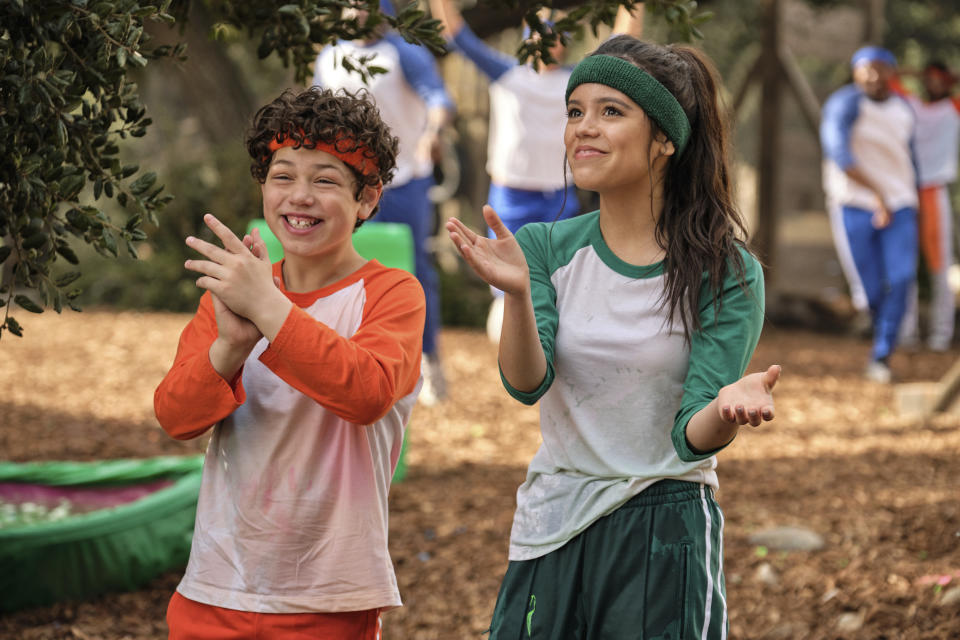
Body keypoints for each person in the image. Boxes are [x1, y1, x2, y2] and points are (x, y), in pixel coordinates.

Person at [446, 34, 779, 638]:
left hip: (663, 527)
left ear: (664, 141)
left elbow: (690, 437)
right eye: (575, 111)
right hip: (552, 520)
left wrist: (729, 408)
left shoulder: (727, 272)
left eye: (610, 112)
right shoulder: (545, 248)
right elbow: (527, 384)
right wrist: (517, 294)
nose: (583, 128)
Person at [154, 87, 425, 639]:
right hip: (214, 587)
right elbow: (176, 418)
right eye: (282, 176)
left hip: (330, 597)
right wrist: (230, 346)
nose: (299, 196)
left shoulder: (392, 293)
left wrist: (269, 309)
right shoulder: (235, 295)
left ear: (367, 198)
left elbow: (366, 392)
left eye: (325, 179)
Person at [428, 0, 645, 342]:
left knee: (557, 273)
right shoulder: (509, 74)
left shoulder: (575, 81)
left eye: (557, 37)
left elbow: (620, 47)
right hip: (511, 194)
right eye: (543, 35)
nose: (551, 43)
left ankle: (554, 340)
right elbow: (459, 36)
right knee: (505, 268)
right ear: (529, 40)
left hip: (558, 193)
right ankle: (507, 332)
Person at [313, 0, 454, 405]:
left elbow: (439, 100)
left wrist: (434, 132)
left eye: (368, 6)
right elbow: (316, 112)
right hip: (346, 187)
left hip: (404, 181)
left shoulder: (404, 52)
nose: (358, 13)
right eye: (352, 5)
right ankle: (345, 357)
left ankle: (428, 361)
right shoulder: (330, 56)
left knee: (415, 271)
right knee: (342, 270)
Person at [820, 46, 919, 383]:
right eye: (867, 69)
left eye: (881, 68)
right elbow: (839, 154)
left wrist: (902, 196)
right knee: (872, 290)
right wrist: (878, 195)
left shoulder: (905, 109)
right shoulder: (845, 104)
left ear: (893, 73)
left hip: (901, 205)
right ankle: (881, 333)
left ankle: (882, 355)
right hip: (856, 205)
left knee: (902, 278)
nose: (874, 75)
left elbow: (911, 157)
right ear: (855, 72)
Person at [893, 61, 960, 352]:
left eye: (939, 79)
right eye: (928, 79)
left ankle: (941, 334)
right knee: (905, 265)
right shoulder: (913, 106)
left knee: (940, 265)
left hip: (936, 192)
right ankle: (906, 333)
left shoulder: (954, 109)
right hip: (908, 190)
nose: (933, 84)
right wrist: (920, 74)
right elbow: (891, 79)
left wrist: (946, 78)